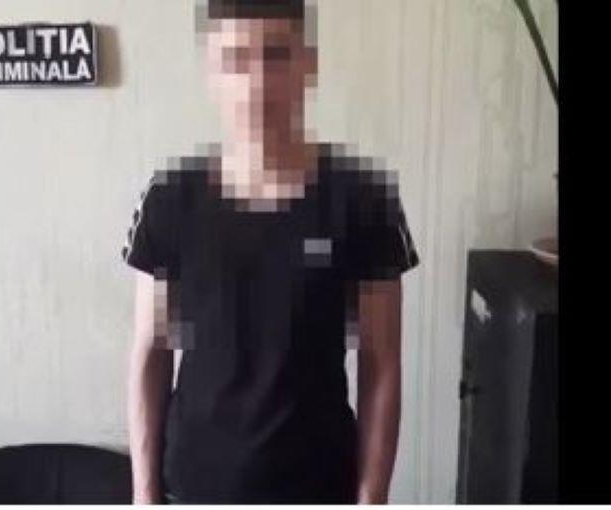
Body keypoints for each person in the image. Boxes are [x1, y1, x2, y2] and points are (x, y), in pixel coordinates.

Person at [122, 0, 419, 504]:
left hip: (318, 488)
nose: (257, 82)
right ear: (212, 72)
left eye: (276, 54)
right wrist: (144, 496)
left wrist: (372, 499)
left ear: (309, 64)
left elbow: (382, 364)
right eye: (236, 59)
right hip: (192, 488)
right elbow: (151, 353)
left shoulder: (365, 200)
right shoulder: (170, 199)